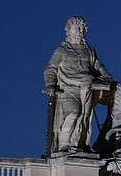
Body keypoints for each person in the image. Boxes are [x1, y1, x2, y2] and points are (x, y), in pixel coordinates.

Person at [44, 16, 113, 154]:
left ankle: (77, 144)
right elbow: (51, 68)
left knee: (84, 116)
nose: (80, 31)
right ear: (69, 30)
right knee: (73, 113)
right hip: (67, 88)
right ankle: (63, 144)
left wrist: (106, 75)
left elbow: (97, 64)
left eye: (82, 28)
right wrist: (50, 84)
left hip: (87, 87)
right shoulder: (62, 50)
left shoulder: (89, 50)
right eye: (77, 27)